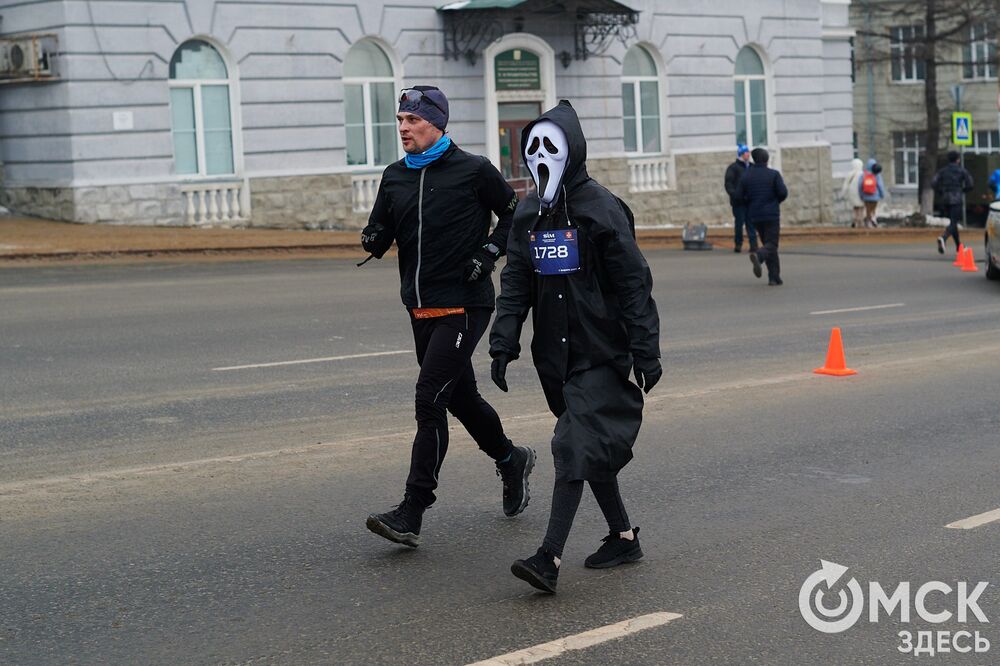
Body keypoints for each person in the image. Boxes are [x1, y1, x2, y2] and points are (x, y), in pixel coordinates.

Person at [489, 100, 661, 594]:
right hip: (556, 357)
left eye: (551, 146)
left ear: (573, 150)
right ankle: (624, 537)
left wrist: (646, 349)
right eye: (533, 147)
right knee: (589, 445)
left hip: (602, 351)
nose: (541, 155)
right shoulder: (527, 212)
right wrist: (504, 342)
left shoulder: (602, 209)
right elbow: (517, 279)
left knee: (571, 445)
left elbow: (633, 284)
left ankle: (548, 558)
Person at [360, 85, 535, 549]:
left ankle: (412, 510)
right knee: (459, 398)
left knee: (428, 400)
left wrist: (491, 251)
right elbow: (382, 228)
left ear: (436, 122)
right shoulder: (394, 176)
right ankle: (510, 458)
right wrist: (374, 237)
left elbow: (516, 213)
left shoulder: (474, 170)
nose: (403, 128)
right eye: (400, 120)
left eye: (412, 120)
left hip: (464, 303)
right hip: (419, 305)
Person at [738, 147, 788, 286]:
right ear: (766, 160)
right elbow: (783, 193)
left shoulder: (747, 175)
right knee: (771, 244)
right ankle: (759, 256)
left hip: (755, 215)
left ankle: (774, 277)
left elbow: (739, 195)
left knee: (768, 244)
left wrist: (750, 202)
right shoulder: (773, 174)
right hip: (771, 214)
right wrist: (775, 201)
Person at [932, 151, 974, 254]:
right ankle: (943, 238)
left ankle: (959, 246)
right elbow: (970, 184)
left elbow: (933, 182)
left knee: (953, 223)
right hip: (956, 199)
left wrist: (941, 192)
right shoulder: (962, 171)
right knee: (954, 222)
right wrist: (962, 191)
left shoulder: (943, 171)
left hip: (945, 199)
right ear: (958, 160)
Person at [724, 144, 757, 252]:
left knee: (751, 224)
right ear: (741, 154)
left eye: (748, 152)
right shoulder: (733, 168)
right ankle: (738, 244)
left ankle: (753, 245)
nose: (748, 154)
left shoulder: (752, 167)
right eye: (746, 153)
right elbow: (728, 184)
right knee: (739, 224)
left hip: (750, 201)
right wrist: (735, 195)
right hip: (739, 202)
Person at [858, 158, 885, 228]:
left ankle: (868, 222)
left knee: (868, 209)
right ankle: (873, 219)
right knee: (873, 209)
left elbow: (860, 185)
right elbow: (880, 186)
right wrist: (882, 194)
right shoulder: (877, 175)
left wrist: (861, 195)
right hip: (875, 196)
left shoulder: (864, 174)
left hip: (866, 195)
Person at [840, 158, 865, 228]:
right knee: (861, 208)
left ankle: (854, 220)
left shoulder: (850, 174)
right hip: (862, 194)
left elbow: (845, 185)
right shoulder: (863, 174)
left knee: (855, 208)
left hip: (852, 194)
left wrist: (842, 194)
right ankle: (861, 221)